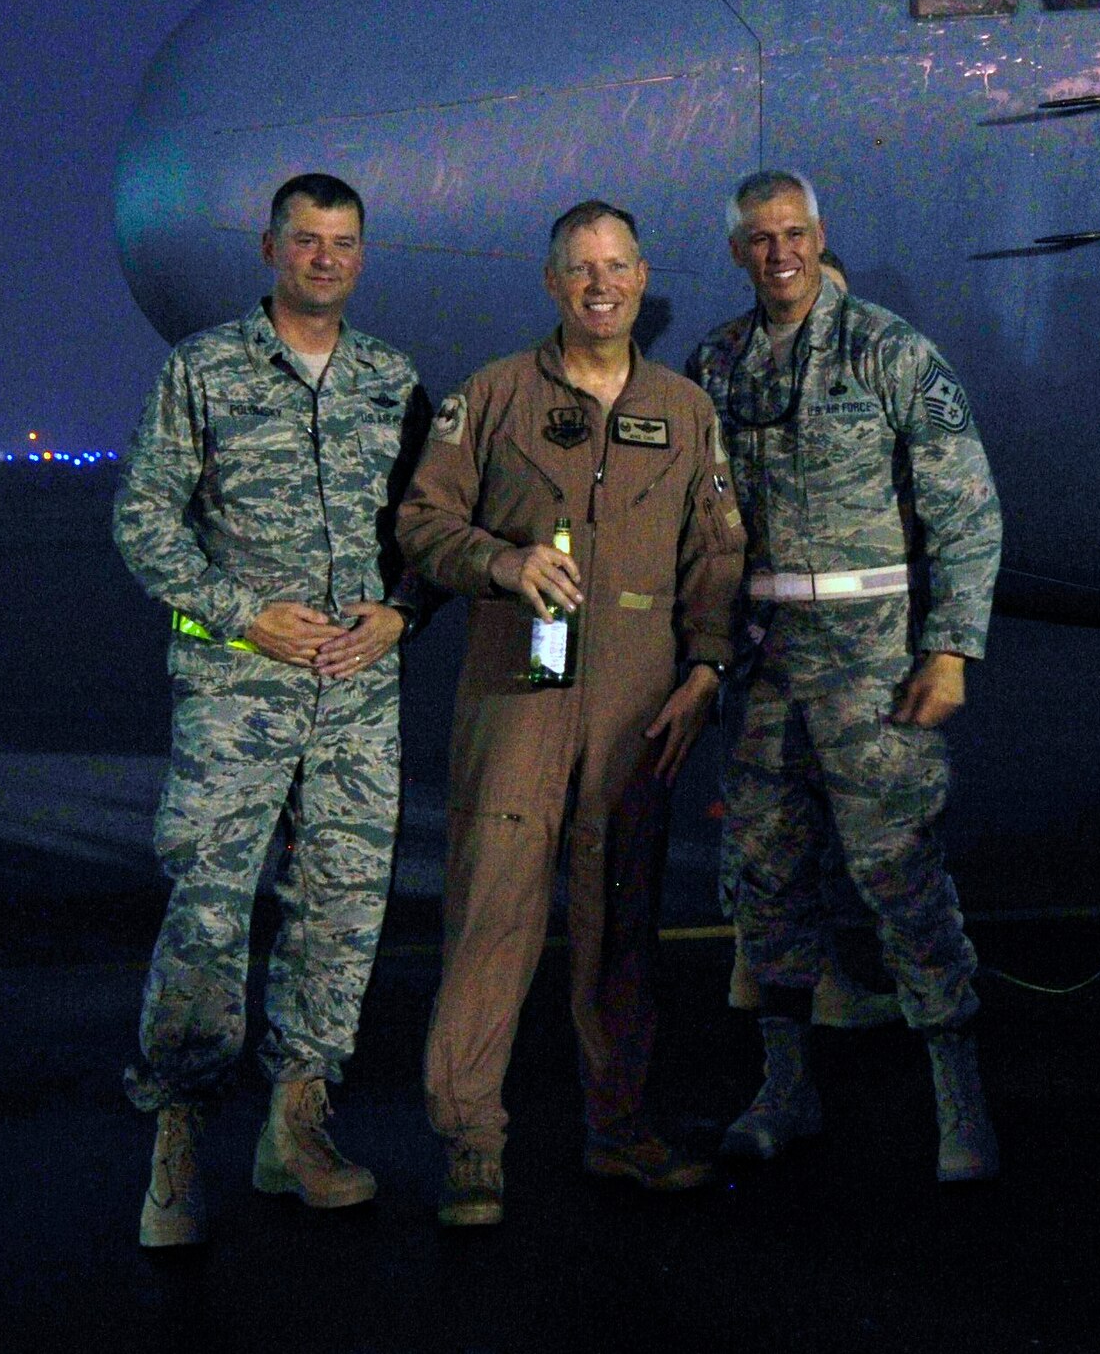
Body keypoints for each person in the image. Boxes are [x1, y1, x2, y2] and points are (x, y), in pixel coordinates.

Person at [397, 199, 745, 1226]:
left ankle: (621, 1128)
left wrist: (707, 666)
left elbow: (714, 551)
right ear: (551, 283)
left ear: (642, 279)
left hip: (641, 694)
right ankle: (469, 1142)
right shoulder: (492, 398)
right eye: (579, 268)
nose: (599, 284)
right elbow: (421, 519)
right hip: (518, 685)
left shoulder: (683, 411)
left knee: (621, 921)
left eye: (616, 266)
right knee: (492, 912)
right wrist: (499, 561)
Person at [113, 171, 433, 1246]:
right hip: (237, 690)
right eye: (306, 241)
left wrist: (402, 610)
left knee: (340, 907)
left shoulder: (392, 380)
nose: (326, 258)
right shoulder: (201, 370)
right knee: (207, 908)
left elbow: (428, 529)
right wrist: (242, 613)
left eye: (343, 242)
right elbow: (146, 522)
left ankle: (297, 1120)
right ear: (268, 250)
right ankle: (178, 1131)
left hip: (356, 692)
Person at [687, 169, 1004, 1181]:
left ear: (819, 238)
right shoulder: (720, 362)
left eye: (792, 233)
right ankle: (786, 1088)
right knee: (765, 876)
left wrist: (949, 648)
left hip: (872, 662)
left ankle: (958, 1102)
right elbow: (700, 517)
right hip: (768, 661)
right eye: (758, 238)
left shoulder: (887, 350)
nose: (777, 252)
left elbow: (963, 508)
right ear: (737, 251)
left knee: (897, 874)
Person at [722, 243, 902, 1030]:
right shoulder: (747, 398)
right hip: (778, 643)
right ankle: (805, 980)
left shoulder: (857, 394)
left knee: (788, 819)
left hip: (830, 642)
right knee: (789, 820)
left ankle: (760, 972)